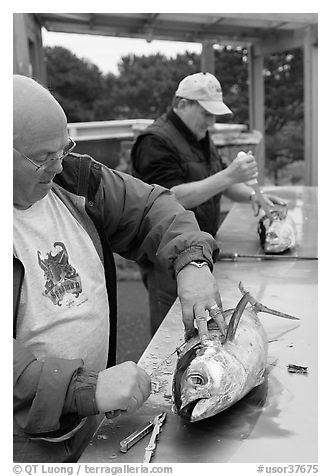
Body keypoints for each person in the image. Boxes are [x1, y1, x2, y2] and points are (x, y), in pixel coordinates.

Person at [13, 75, 226, 463]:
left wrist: (192, 261)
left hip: (90, 416)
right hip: (21, 444)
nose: (58, 165)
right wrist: (84, 389)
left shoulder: (73, 179)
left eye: (64, 149)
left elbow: (150, 208)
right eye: (42, 158)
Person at [131, 71, 285, 334]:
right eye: (206, 113)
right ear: (181, 104)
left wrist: (253, 195)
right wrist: (230, 175)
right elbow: (167, 199)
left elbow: (221, 182)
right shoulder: (155, 142)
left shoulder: (199, 136)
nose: (212, 122)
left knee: (204, 326)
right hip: (168, 256)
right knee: (173, 332)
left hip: (199, 250)